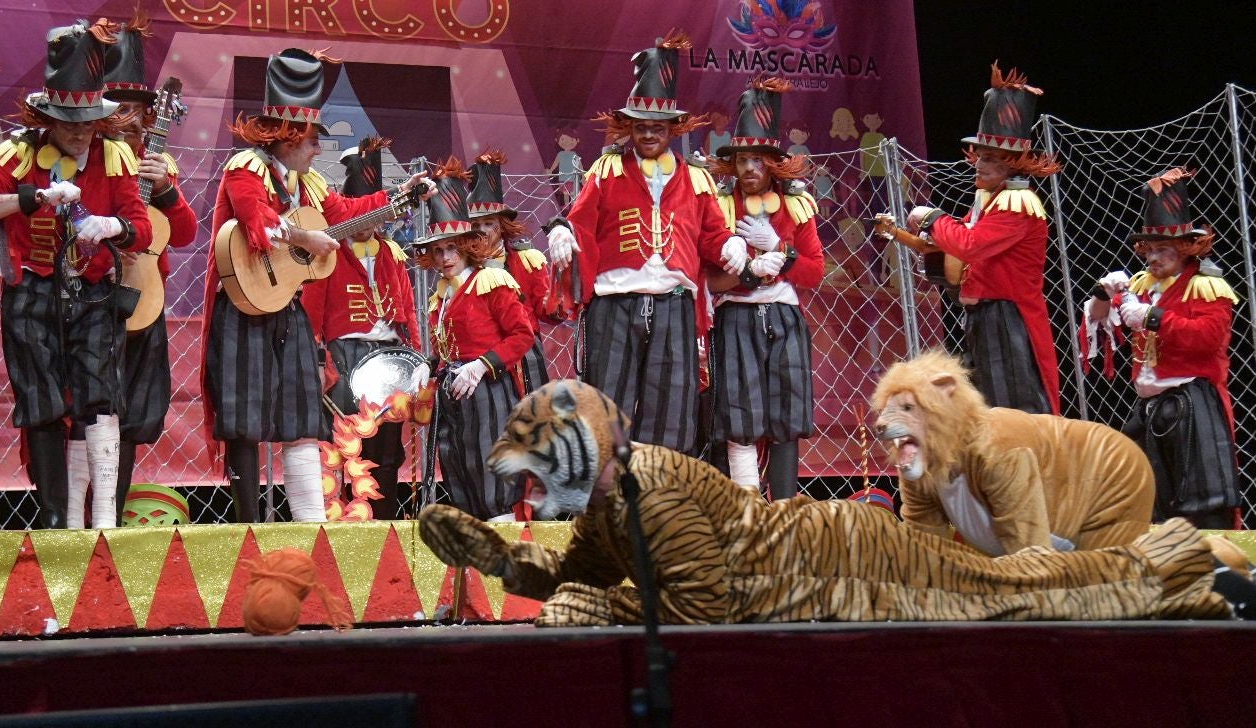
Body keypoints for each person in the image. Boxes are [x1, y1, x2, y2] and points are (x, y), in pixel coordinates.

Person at [419, 379, 1256, 627]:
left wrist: (600, 604)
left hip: (841, 560)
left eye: (536, 464)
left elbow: (702, 607)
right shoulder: (613, 503)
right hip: (829, 556)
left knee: (1011, 595)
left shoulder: (652, 494)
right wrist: (499, 561)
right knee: (1005, 590)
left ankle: (1185, 567)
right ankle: (1186, 575)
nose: (531, 482)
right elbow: (578, 569)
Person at [201, 49, 432, 523]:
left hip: (285, 306)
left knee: (302, 409)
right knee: (244, 418)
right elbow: (256, 219)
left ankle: (311, 520)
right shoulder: (245, 167)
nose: (317, 149)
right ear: (287, 136)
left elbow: (347, 215)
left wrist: (398, 197)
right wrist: (307, 236)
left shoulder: (312, 186)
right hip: (244, 305)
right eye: (311, 140)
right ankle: (247, 523)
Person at [0, 21, 151, 529]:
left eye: (86, 122)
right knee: (40, 404)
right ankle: (55, 519)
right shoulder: (19, 153)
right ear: (48, 118)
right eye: (68, 123)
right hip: (33, 293)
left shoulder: (115, 157)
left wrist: (116, 226)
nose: (79, 132)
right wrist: (31, 197)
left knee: (98, 397)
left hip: (93, 296)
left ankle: (103, 517)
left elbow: (144, 230)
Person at [545, 33, 734, 454]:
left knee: (671, 405)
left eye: (658, 127)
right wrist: (562, 231)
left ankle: (657, 503)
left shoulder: (696, 178)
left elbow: (713, 235)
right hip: (615, 302)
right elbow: (581, 220)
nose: (649, 135)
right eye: (641, 127)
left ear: (672, 129)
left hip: (673, 304)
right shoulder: (608, 169)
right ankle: (602, 502)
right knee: (605, 402)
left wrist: (731, 245)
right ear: (629, 129)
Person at [60, 11, 198, 525]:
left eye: (141, 110)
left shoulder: (156, 162)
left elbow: (182, 235)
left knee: (135, 411)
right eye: (123, 108)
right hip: (91, 294)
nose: (133, 119)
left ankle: (111, 517)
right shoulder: (85, 157)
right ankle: (75, 516)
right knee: (90, 406)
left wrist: (165, 189)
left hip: (143, 300)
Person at [1088, 168, 1240, 529]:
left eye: (1164, 250)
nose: (1154, 258)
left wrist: (1153, 318)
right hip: (1150, 406)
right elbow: (1098, 319)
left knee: (1203, 500)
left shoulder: (1206, 287)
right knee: (1148, 493)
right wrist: (1102, 293)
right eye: (1150, 250)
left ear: (1185, 249)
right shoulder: (1142, 284)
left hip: (1192, 404)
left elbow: (1207, 339)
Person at [906, 64, 1061, 414]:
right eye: (980, 156)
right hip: (985, 318)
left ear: (1011, 165)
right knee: (987, 408)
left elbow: (969, 244)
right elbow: (955, 240)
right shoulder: (988, 201)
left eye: (990, 159)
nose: (979, 165)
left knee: (1013, 410)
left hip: (1008, 320)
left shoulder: (1017, 204)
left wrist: (931, 217)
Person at [704, 78, 824, 499]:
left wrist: (782, 252)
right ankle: (749, 509)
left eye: (757, 159)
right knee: (740, 417)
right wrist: (750, 271)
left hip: (784, 317)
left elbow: (814, 272)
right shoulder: (719, 208)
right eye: (742, 160)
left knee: (785, 416)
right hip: (735, 317)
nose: (749, 168)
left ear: (772, 163)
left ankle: (785, 511)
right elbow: (712, 280)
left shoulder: (797, 206)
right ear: (732, 164)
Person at [300, 136, 420, 520]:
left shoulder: (391, 254)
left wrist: (417, 361)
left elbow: (408, 313)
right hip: (345, 355)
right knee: (344, 444)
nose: (369, 227)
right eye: (362, 219)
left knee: (386, 446)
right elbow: (312, 313)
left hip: (386, 356)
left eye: (376, 219)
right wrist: (319, 360)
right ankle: (342, 522)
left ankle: (383, 523)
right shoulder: (328, 252)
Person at [418, 162, 534, 520]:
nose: (445, 258)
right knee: (458, 469)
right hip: (453, 392)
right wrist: (429, 366)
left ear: (467, 248)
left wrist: (483, 365)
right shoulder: (442, 295)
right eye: (438, 251)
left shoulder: (491, 282)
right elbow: (445, 346)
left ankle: (504, 561)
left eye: (451, 249)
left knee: (491, 476)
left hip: (488, 392)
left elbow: (523, 335)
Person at [468, 150, 552, 393]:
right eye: (475, 225)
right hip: (480, 357)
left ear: (502, 227)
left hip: (525, 357)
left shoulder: (526, 261)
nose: (482, 231)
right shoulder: (462, 270)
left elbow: (549, 312)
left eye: (489, 224)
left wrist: (563, 281)